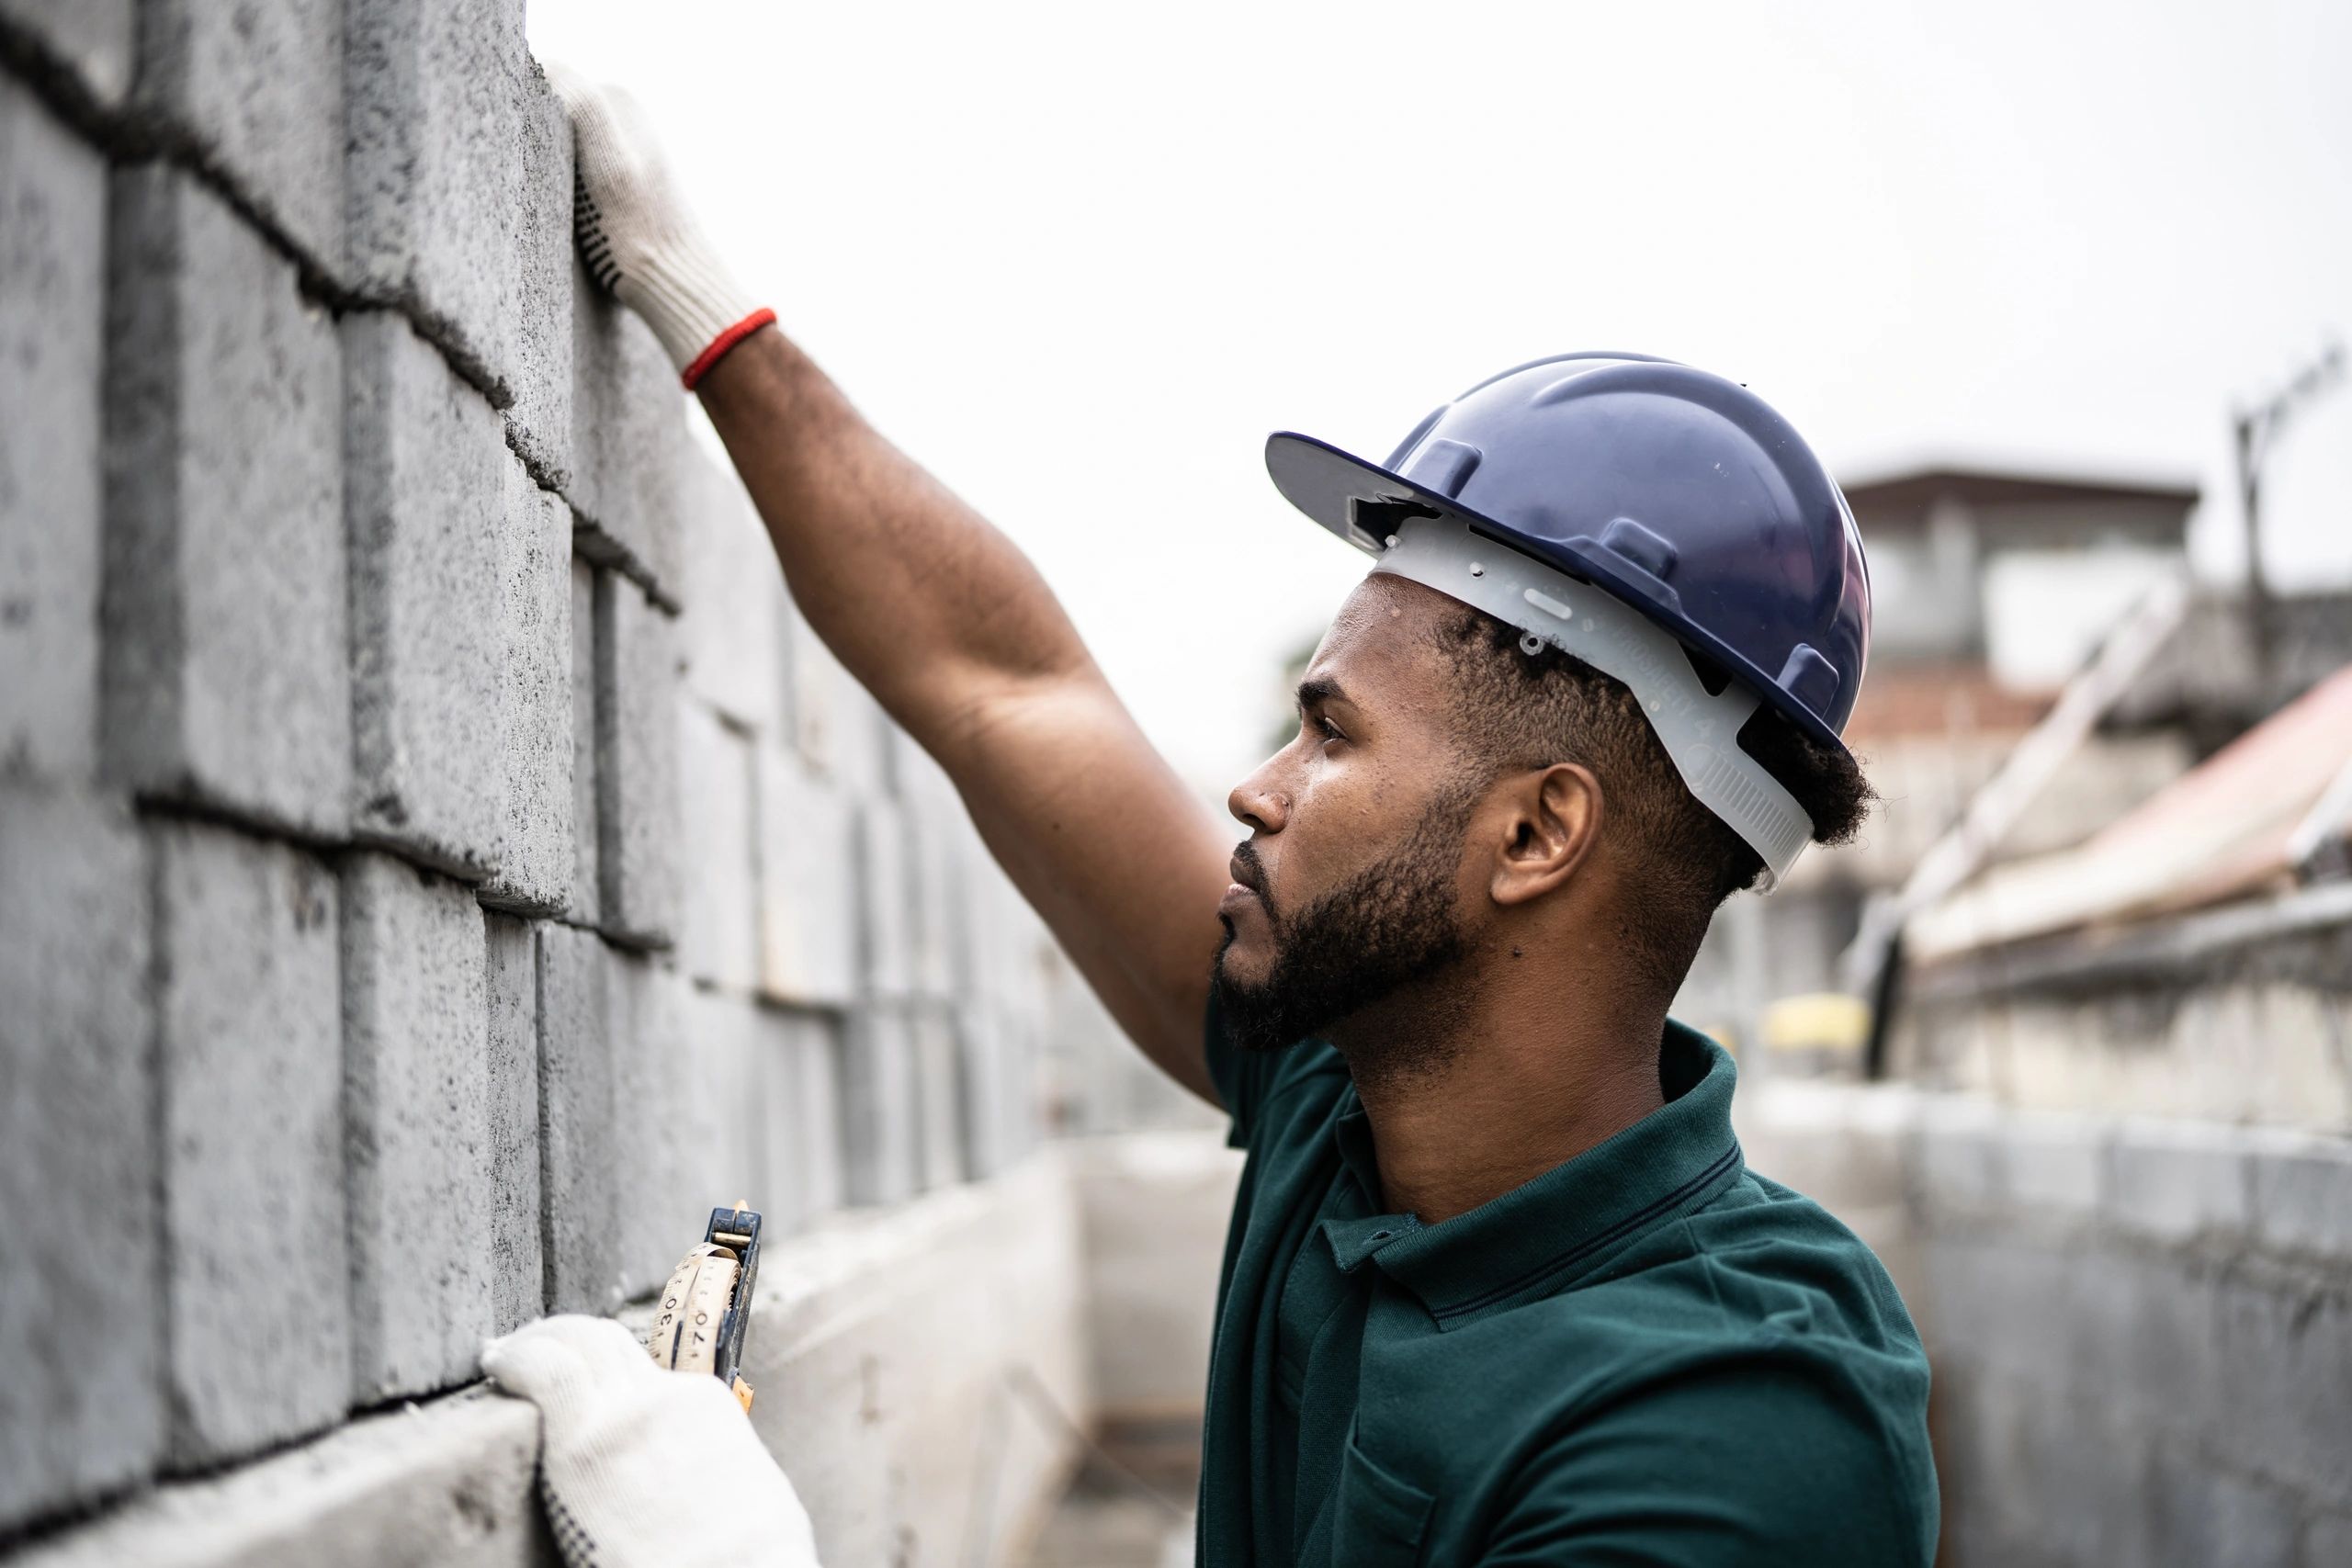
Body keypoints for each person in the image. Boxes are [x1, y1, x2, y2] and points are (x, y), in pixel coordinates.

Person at [486, 69, 1938, 1568]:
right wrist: (700, 307)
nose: (1256, 789)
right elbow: (1005, 688)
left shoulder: (1735, 1432)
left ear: (1533, 836)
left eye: (1329, 733)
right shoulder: (1354, 1098)